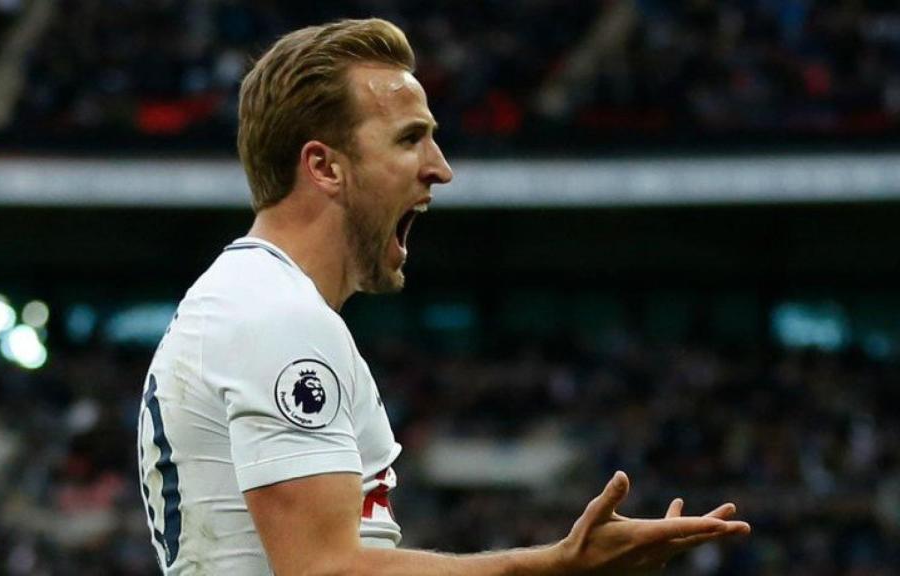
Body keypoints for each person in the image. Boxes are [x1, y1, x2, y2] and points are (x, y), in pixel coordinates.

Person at [137, 18, 750, 575]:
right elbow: (324, 570)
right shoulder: (279, 317)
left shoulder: (244, 301)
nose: (441, 167)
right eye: (410, 140)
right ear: (324, 167)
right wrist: (555, 567)